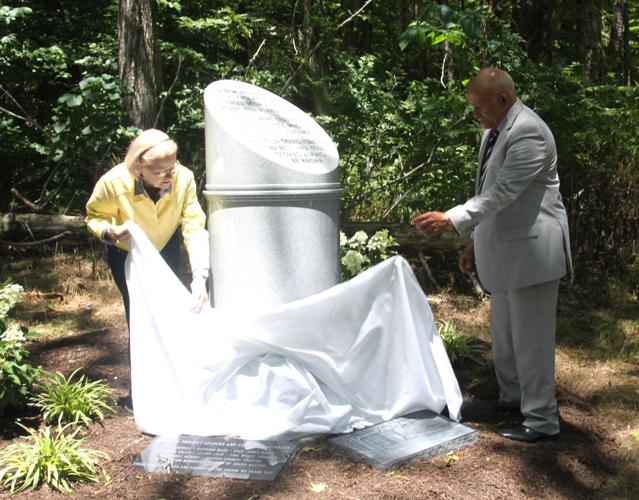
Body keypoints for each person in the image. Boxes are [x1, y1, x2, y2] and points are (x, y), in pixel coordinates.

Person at [411, 68, 572, 442]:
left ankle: (542, 420)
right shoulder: (494, 130)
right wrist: (475, 244)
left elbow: (502, 192)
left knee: (531, 342)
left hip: (534, 253)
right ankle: (512, 401)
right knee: (505, 339)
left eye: (479, 107)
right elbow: (492, 194)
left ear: (502, 99)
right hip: (505, 250)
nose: (475, 115)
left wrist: (452, 219)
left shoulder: (529, 131)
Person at [85, 129, 210, 409]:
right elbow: (94, 216)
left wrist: (200, 276)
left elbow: (193, 226)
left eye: (173, 166)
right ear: (139, 166)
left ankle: (177, 384)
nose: (170, 175)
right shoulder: (114, 181)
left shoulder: (184, 178)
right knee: (140, 316)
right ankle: (141, 395)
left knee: (171, 313)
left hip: (165, 246)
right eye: (161, 170)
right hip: (126, 254)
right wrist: (109, 231)